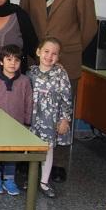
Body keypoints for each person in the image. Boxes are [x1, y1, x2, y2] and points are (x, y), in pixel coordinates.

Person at [20, 0, 96, 182]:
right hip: (36, 65)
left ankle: (59, 163)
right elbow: (24, 22)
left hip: (66, 63)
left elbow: (89, 27)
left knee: (62, 112)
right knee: (33, 112)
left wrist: (67, 51)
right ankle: (30, 157)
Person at [0, 44, 33, 196]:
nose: (13, 63)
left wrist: (27, 123)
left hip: (17, 126)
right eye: (9, 59)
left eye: (16, 60)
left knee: (12, 153)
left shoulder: (25, 81)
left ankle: (9, 179)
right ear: (2, 62)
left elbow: (29, 103)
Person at [27, 37, 72, 198]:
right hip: (32, 118)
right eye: (46, 51)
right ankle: (31, 178)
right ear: (38, 52)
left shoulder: (60, 73)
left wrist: (65, 119)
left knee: (48, 149)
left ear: (58, 57)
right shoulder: (31, 72)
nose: (49, 56)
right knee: (32, 149)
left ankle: (44, 182)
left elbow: (67, 97)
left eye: (54, 54)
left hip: (51, 120)